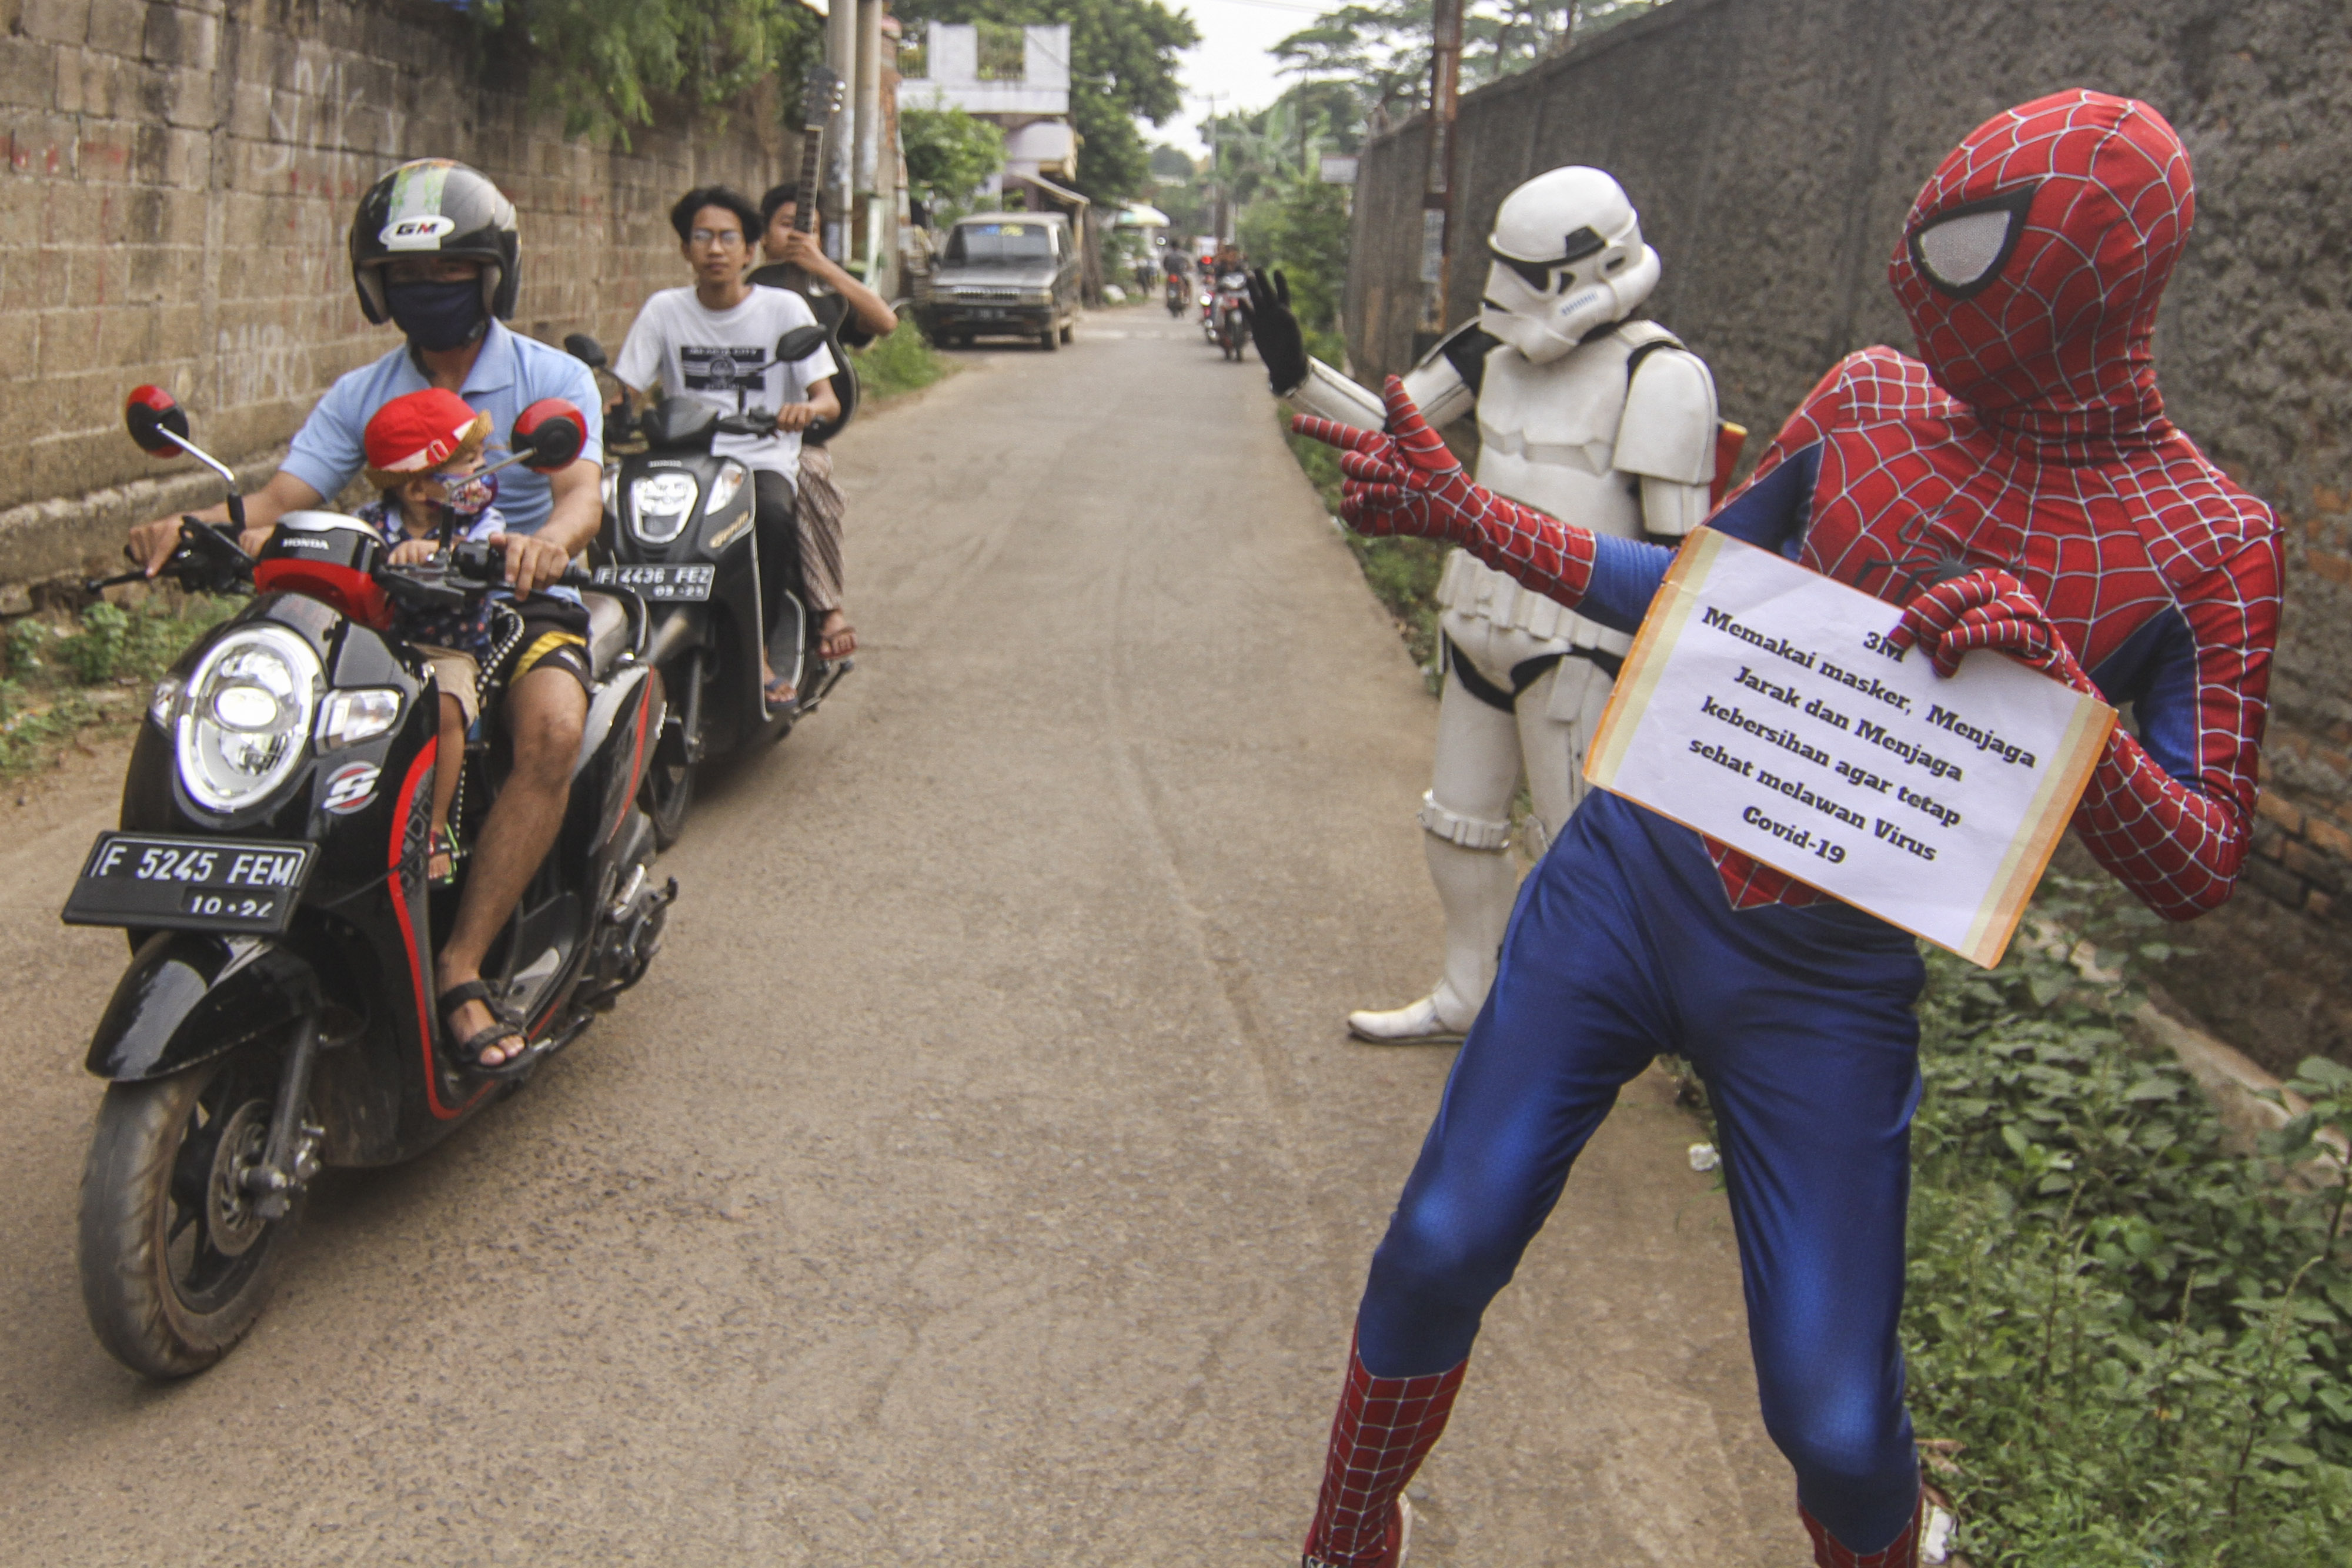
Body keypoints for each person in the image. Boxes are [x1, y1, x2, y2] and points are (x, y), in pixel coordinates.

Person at [1287, 91, 2279, 1568]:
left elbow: (2200, 862)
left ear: (2083, 296)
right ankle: (1348, 1531)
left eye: (1970, 288)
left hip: (1824, 976)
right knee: (1440, 1242)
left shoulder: (2208, 538)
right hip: (1632, 871)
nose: (1926, 320)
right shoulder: (1874, 399)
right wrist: (1465, 518)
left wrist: (2062, 703)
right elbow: (1695, 590)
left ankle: (1892, 1538)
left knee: (1830, 1415)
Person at [125, 158, 606, 1077]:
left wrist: (550, 541)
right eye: (409, 277)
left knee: (551, 729)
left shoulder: (552, 377)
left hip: (516, 601)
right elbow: (278, 500)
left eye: (449, 272)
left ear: (491, 273)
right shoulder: (360, 394)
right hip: (393, 603)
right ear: (377, 285)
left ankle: (461, 968)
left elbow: (580, 487)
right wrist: (190, 528)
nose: (429, 290)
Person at [1251, 167, 1720, 1045]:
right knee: (1457, 821)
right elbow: (1396, 430)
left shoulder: (1663, 376)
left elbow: (1676, 567)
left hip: (1581, 640)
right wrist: (1296, 370)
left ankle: (1578, 1029)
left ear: (1593, 268)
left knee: (1576, 850)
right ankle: (1470, 992)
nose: (1508, 297)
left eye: (1531, 276)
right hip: (1478, 615)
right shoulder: (1487, 350)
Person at [612, 185, 841, 704]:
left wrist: (803, 410)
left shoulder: (785, 309)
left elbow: (827, 400)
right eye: (702, 238)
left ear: (749, 251)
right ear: (685, 250)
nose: (715, 249)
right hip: (684, 457)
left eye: (727, 238)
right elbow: (625, 387)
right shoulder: (664, 310)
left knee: (774, 519)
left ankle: (759, 649)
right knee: (625, 525)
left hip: (760, 458)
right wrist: (614, 411)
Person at [353, 388, 512, 887]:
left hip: (449, 649)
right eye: (470, 461)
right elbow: (347, 549)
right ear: (420, 489)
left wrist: (434, 552)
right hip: (377, 650)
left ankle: (435, 826)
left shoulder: (480, 521)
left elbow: (488, 549)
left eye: (482, 456)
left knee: (444, 707)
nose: (484, 469)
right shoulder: (371, 523)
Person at [747, 183, 897, 664]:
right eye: (787, 224)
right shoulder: (745, 289)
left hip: (799, 437)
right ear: (764, 233)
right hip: (734, 435)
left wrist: (823, 266)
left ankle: (826, 605)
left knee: (811, 476)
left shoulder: (828, 292)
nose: (797, 235)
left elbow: (884, 322)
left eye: (809, 227)